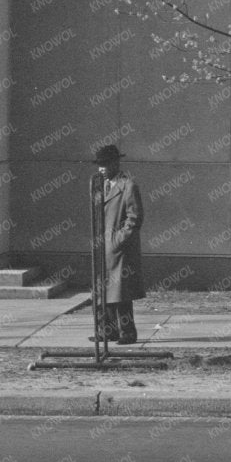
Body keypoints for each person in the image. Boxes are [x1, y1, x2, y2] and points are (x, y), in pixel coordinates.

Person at [93, 143, 145, 344]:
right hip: (102, 246)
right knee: (103, 290)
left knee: (121, 292)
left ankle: (127, 332)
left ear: (115, 163)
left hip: (118, 249)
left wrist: (118, 240)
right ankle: (107, 331)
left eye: (105, 165)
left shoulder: (128, 186)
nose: (101, 169)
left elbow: (135, 217)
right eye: (99, 165)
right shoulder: (100, 186)